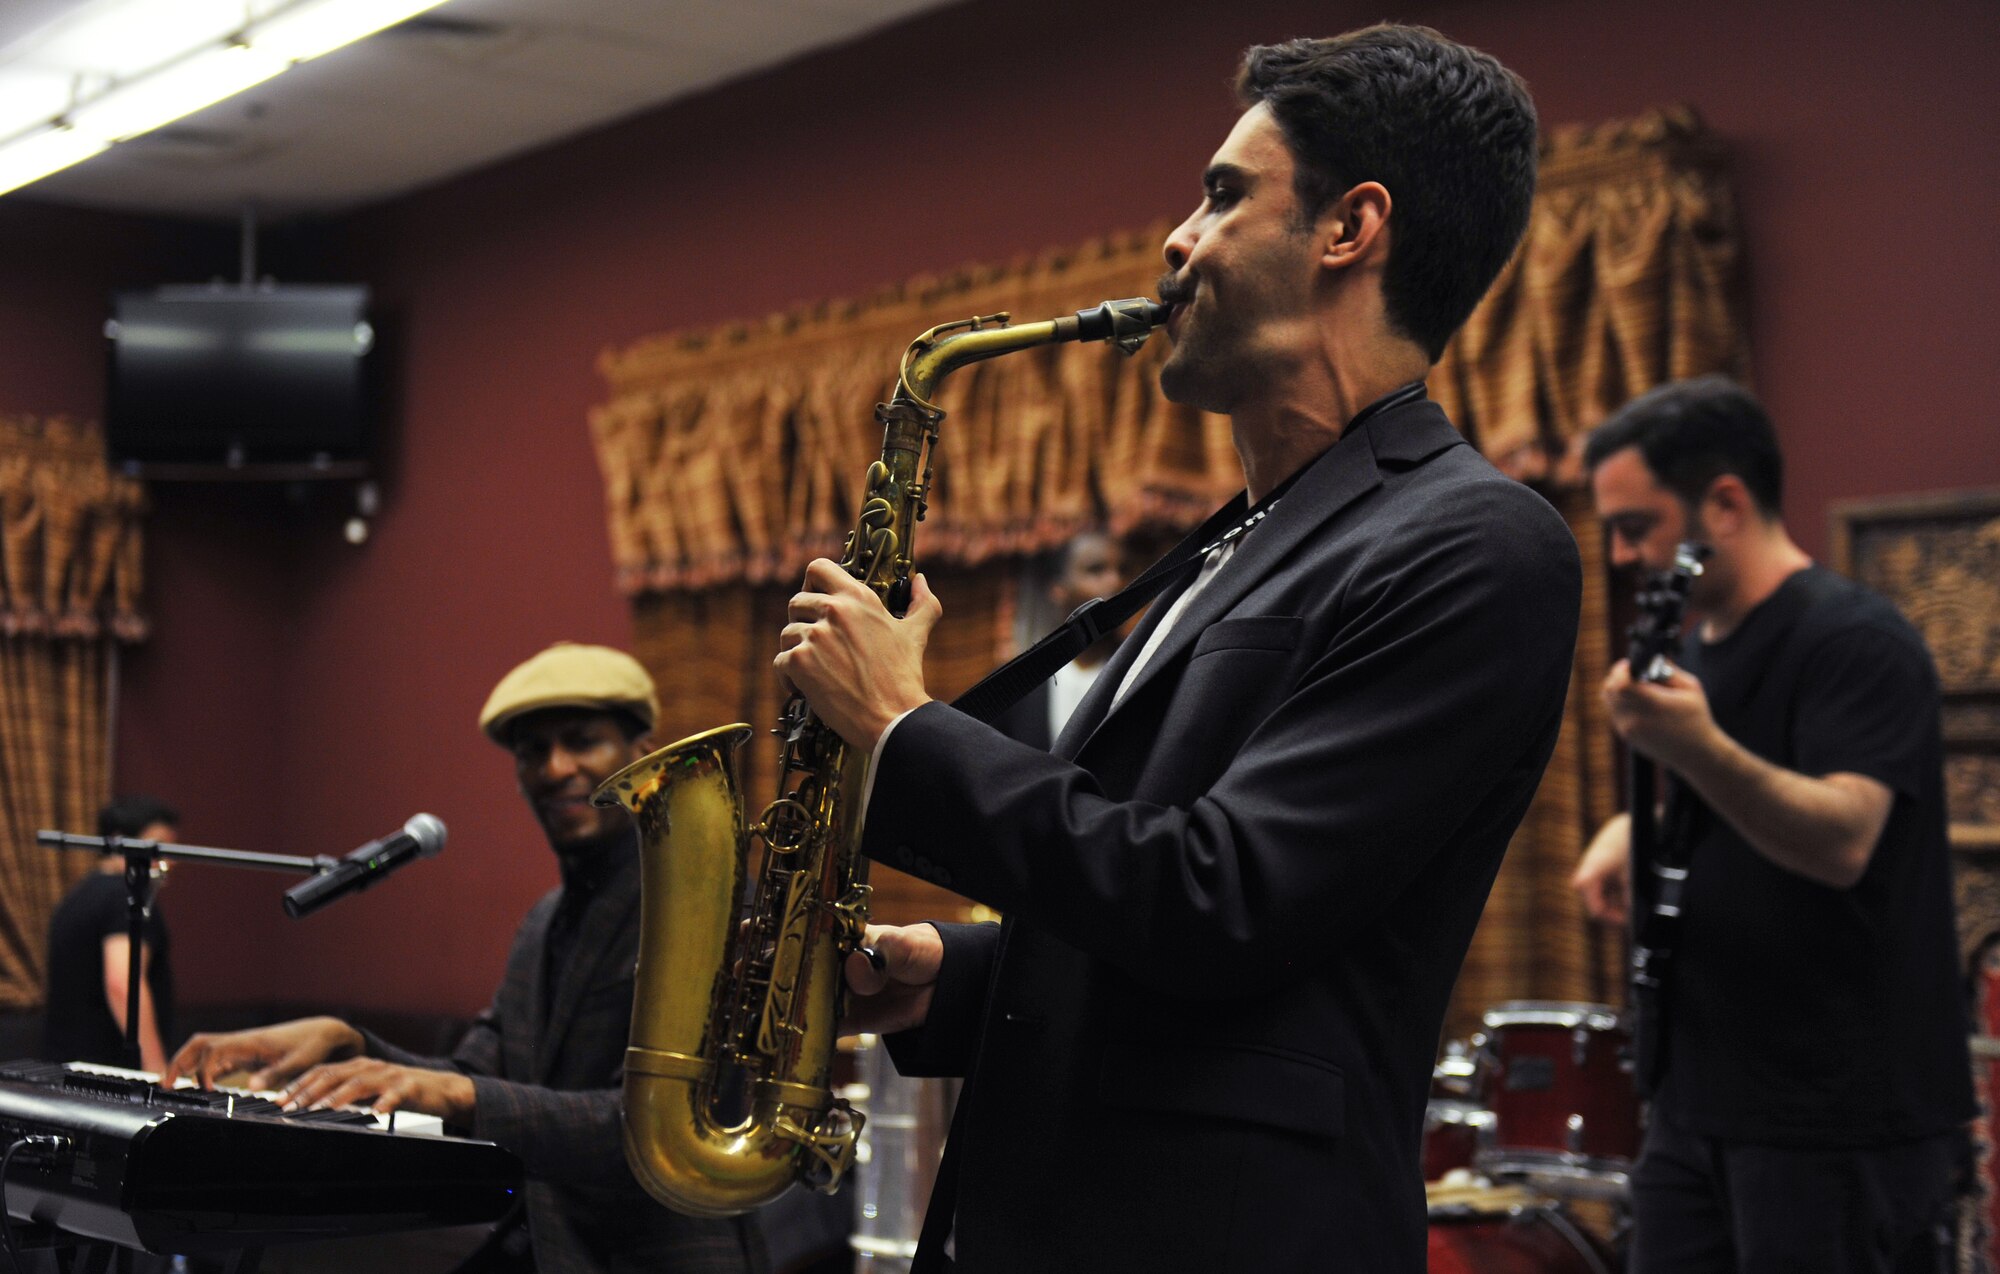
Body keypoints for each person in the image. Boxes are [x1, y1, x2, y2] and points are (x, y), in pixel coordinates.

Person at [777, 25, 1580, 1272]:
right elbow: (1220, 969)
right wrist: (958, 972)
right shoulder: (1251, 534)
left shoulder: (1477, 541)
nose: (1174, 241)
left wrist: (902, 727)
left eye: (1218, 195)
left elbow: (1225, 897)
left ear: (1346, 228)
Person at [163, 643, 767, 1274]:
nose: (557, 767)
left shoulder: (708, 907)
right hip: (548, 1245)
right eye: (533, 752)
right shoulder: (542, 922)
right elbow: (474, 1071)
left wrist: (456, 1091)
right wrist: (347, 1044)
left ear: (640, 756)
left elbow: (665, 1131)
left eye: (583, 740)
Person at [1570, 376, 1973, 1272]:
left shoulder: (1854, 640)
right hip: (1702, 1100)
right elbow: (1733, 795)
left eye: (1641, 527)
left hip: (1834, 1117)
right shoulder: (1699, 644)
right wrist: (1634, 824)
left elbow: (1842, 840)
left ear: (1723, 502)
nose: (1630, 557)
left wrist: (1694, 751)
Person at [43, 795, 179, 1070]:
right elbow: (123, 982)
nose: (169, 861)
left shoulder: (78, 895)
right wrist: (157, 1069)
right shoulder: (127, 898)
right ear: (120, 842)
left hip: (65, 1064)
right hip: (109, 1070)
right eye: (158, 848)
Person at [992, 529, 1127, 749]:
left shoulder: (1139, 671)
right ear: (1059, 590)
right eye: (1096, 570)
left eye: (1122, 570)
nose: (1115, 581)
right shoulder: (1019, 683)